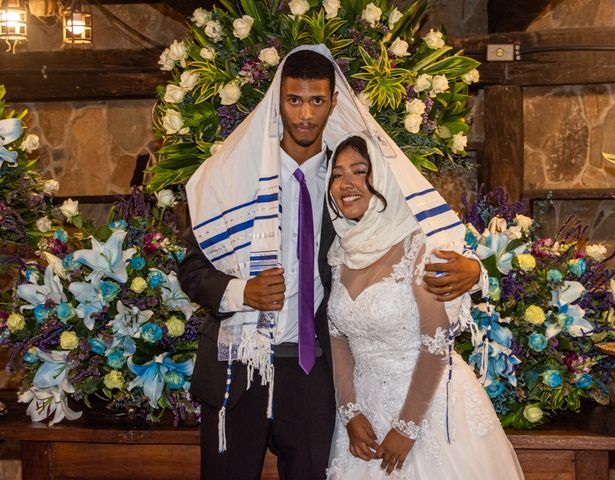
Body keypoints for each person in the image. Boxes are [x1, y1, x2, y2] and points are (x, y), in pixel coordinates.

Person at [178, 45, 483, 480]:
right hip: (240, 366)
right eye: (294, 100)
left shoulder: (353, 185)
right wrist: (240, 291)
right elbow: (192, 270)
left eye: (317, 101)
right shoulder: (230, 179)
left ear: (333, 102)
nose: (305, 114)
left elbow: (417, 233)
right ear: (276, 102)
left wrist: (474, 272)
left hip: (314, 373)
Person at [325, 134, 524, 479]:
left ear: (383, 177)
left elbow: (436, 343)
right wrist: (350, 411)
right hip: (364, 414)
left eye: (360, 171)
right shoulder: (341, 250)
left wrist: (407, 428)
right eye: (337, 174)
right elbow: (337, 335)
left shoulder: (422, 244)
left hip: (428, 409)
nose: (347, 184)